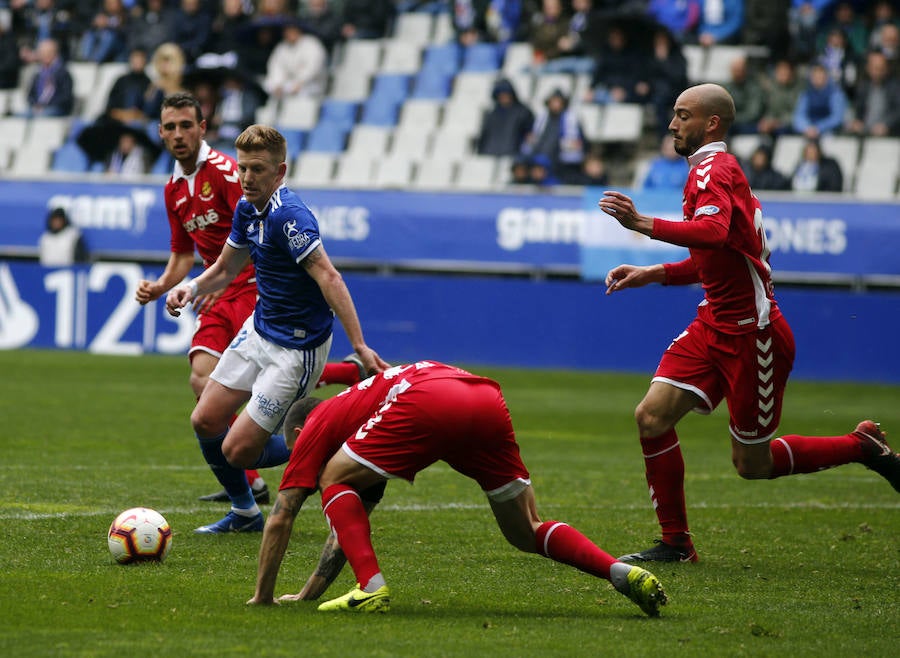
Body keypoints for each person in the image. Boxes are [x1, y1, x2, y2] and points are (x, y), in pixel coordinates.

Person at [597, 83, 899, 563]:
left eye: (682, 115)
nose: (672, 124)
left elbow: (713, 233)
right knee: (651, 417)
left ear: (711, 123)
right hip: (712, 324)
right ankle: (676, 544)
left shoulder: (716, 170)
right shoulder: (708, 172)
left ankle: (861, 446)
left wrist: (641, 224)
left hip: (751, 336)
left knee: (752, 465)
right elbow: (718, 255)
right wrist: (652, 274)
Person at [247, 360, 668, 618]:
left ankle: (372, 590)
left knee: (330, 479)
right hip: (483, 396)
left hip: (426, 398)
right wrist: (306, 595)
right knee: (525, 529)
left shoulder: (317, 425)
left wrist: (263, 598)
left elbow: (282, 514)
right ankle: (620, 572)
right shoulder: (361, 436)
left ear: (299, 430)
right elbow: (345, 535)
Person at [136, 93, 366, 511]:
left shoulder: (283, 212)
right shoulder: (226, 201)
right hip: (255, 325)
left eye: (256, 169)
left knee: (236, 446)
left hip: (283, 331)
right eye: (243, 168)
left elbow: (329, 275)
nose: (245, 177)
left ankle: (324, 441)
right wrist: (188, 287)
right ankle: (245, 508)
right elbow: (216, 265)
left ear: (279, 172)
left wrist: (361, 344)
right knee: (205, 417)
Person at [521, 88, 585, 184]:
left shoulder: (572, 120)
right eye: (553, 101)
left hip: (562, 164)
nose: (555, 105)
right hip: (541, 160)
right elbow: (534, 138)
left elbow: (580, 142)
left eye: (558, 102)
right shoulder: (541, 119)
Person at [263, 18, 328, 102]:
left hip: (311, 84)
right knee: (269, 84)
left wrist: (300, 82)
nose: (289, 34)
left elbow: (314, 67)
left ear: (298, 30)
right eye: (287, 32)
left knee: (302, 92)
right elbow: (276, 67)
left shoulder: (312, 44)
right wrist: (278, 83)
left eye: (292, 31)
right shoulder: (282, 47)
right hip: (288, 83)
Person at [845, 50, 900, 137]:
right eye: (875, 68)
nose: (878, 72)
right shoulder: (863, 87)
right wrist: (855, 121)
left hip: (889, 136)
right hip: (865, 133)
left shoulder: (895, 87)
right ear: (868, 68)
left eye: (881, 68)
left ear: (887, 69)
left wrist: (886, 125)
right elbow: (856, 108)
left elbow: (898, 111)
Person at [476, 77, 534, 157]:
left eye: (507, 94)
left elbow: (530, 134)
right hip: (489, 154)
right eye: (501, 94)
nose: (504, 97)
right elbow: (484, 135)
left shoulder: (523, 112)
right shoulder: (491, 114)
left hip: (513, 155)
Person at [791, 62, 848, 139]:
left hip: (829, 133)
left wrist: (818, 128)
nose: (818, 78)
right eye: (815, 76)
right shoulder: (806, 94)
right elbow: (799, 115)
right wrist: (807, 128)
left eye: (820, 75)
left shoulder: (835, 93)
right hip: (809, 132)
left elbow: (837, 118)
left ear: (826, 76)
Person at [23, 37, 73, 117]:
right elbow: (30, 95)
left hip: (56, 109)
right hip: (37, 108)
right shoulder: (38, 73)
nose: (41, 55)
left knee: (42, 115)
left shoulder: (63, 73)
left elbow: (66, 97)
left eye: (44, 53)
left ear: (53, 53)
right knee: (17, 116)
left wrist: (46, 105)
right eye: (41, 53)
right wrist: (36, 105)